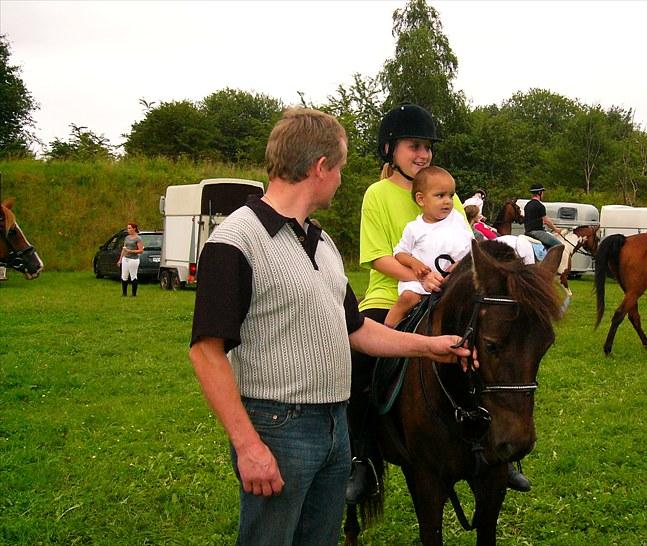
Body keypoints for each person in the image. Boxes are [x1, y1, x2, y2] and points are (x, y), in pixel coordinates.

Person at [188, 108, 473, 546]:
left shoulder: (320, 242)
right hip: (279, 426)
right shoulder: (235, 241)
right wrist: (248, 446)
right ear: (321, 168)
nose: (341, 178)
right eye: (339, 168)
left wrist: (429, 346)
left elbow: (356, 329)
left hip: (335, 425)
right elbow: (206, 352)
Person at [348, 104, 529, 502]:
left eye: (427, 147)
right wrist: (419, 275)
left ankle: (504, 452)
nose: (423, 154)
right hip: (392, 295)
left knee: (497, 351)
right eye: (414, 146)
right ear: (389, 149)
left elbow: (468, 249)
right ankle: (360, 456)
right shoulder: (377, 196)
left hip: (448, 294)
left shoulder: (448, 194)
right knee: (358, 363)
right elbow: (378, 256)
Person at [384, 166, 473, 328]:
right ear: (421, 199)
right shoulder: (415, 228)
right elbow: (400, 253)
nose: (447, 201)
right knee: (407, 298)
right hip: (420, 282)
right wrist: (414, 263)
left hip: (453, 281)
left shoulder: (457, 219)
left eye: (450, 196)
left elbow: (472, 247)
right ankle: (387, 331)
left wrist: (462, 264)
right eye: (440, 195)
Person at [523, 184, 564, 250]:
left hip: (527, 232)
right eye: (542, 192)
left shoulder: (527, 205)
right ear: (539, 192)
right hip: (537, 233)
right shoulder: (540, 206)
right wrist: (556, 229)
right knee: (559, 245)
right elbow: (546, 221)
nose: (543, 194)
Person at [116, 222, 143, 297]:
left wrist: (130, 251)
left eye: (130, 228)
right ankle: (124, 293)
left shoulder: (138, 238)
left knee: (133, 276)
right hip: (126, 259)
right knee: (124, 276)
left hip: (133, 260)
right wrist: (120, 259)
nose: (128, 229)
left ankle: (134, 294)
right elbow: (124, 249)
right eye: (128, 228)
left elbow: (141, 250)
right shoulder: (127, 237)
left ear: (134, 229)